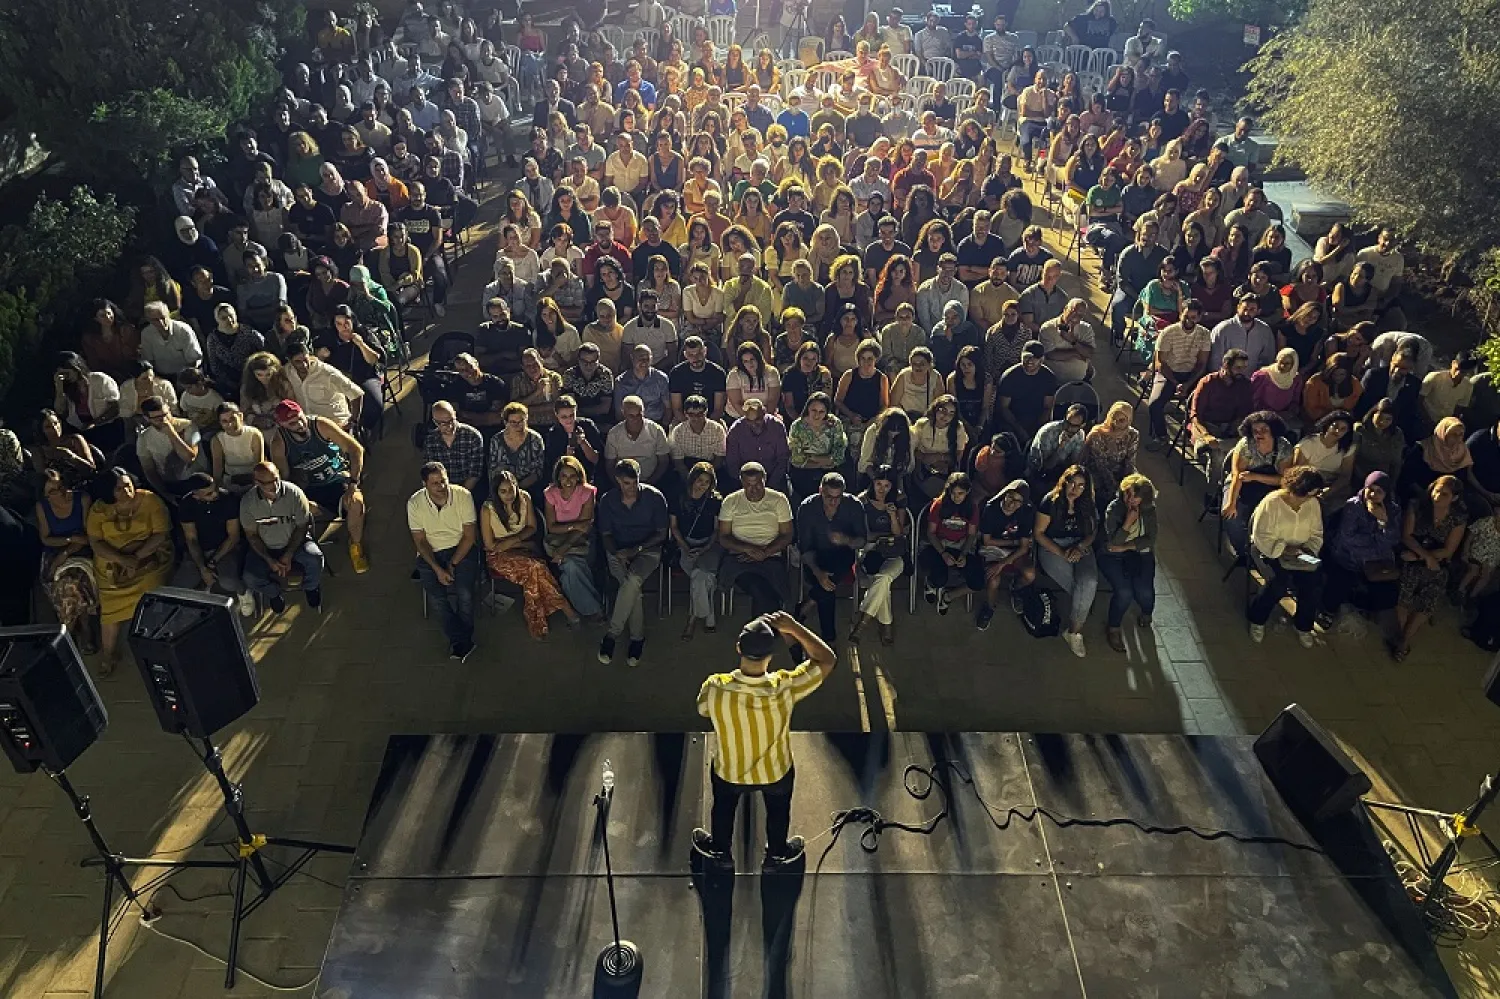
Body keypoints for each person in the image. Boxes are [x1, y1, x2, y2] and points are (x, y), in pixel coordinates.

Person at [693, 609, 837, 869]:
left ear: (739, 647)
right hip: (776, 773)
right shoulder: (786, 686)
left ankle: (721, 852)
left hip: (729, 772)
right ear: (771, 655)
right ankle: (777, 854)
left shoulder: (715, 687)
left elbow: (702, 710)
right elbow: (827, 659)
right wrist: (794, 628)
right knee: (778, 811)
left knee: (723, 809)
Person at [84, 468, 173, 673]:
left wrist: (136, 558)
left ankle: (154, 648)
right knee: (110, 610)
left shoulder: (150, 501)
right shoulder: (99, 509)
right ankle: (108, 654)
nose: (126, 491)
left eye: (128, 485)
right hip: (112, 561)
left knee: (151, 597)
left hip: (149, 556)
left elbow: (160, 534)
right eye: (119, 488)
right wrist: (121, 559)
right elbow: (96, 542)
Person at [268, 399, 369, 573]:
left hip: (336, 479)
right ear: (282, 425)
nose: (300, 424)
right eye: (292, 423)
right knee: (303, 510)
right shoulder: (279, 443)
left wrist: (353, 482)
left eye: (300, 418)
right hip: (308, 488)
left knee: (356, 503)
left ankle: (355, 544)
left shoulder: (320, 425)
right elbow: (284, 479)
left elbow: (356, 449)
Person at [480, 468, 580, 640]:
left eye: (511, 489)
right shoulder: (488, 509)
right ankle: (566, 609)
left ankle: (537, 623)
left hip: (524, 548)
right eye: (503, 491)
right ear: (496, 493)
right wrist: (517, 541)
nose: (509, 494)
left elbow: (532, 527)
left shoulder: (525, 498)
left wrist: (514, 541)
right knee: (536, 568)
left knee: (533, 573)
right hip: (499, 556)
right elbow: (490, 545)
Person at [596, 458, 669, 667]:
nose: (624, 487)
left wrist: (636, 550)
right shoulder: (608, 500)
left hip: (647, 551)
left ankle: (612, 634)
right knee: (633, 588)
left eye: (628, 483)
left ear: (638, 479)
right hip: (618, 551)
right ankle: (637, 638)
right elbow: (606, 534)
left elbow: (661, 534)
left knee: (633, 579)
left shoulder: (655, 498)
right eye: (620, 482)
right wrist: (618, 553)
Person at [1247, 465, 1326, 646]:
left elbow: (1317, 533)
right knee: (1277, 583)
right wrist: (1283, 548)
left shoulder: (1313, 504)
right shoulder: (1271, 503)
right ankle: (1257, 619)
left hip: (1301, 552)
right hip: (1269, 551)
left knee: (1314, 582)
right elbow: (1262, 536)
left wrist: (1308, 550)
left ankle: (1303, 626)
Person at [1393, 475, 1466, 661]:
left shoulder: (1458, 517)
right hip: (1413, 553)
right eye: (1437, 491)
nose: (1438, 496)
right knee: (1404, 592)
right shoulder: (1416, 506)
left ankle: (1405, 638)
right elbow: (1407, 536)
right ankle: (1402, 636)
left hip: (1437, 559)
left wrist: (1426, 558)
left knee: (1430, 596)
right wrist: (1422, 556)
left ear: (1454, 498)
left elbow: (1448, 550)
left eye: (1445, 494)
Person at [1319, 471, 1403, 630]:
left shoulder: (1393, 510)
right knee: (1342, 580)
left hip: (1376, 560)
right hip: (1347, 556)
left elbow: (1393, 540)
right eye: (1370, 488)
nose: (1373, 494)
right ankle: (1327, 610)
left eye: (1379, 491)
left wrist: (1383, 522)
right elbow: (1349, 538)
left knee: (1387, 590)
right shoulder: (1354, 506)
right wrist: (1377, 540)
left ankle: (1364, 606)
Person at [1033, 464, 1099, 657]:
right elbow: (1039, 534)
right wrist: (1062, 553)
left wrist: (1079, 548)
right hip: (1053, 545)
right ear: (1065, 482)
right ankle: (1082, 613)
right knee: (1081, 588)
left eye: (1081, 485)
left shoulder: (1088, 504)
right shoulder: (1050, 502)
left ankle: (1073, 631)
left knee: (1089, 581)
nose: (1075, 489)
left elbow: (1093, 532)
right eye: (1072, 483)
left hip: (1080, 545)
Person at [793, 472, 865, 644]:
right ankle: (828, 638)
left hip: (843, 554)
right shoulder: (807, 508)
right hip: (815, 555)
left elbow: (862, 540)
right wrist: (818, 573)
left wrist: (846, 539)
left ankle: (809, 607)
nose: (833, 502)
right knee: (826, 584)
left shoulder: (853, 505)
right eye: (828, 497)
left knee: (829, 580)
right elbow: (805, 548)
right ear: (820, 491)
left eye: (837, 497)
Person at [718, 461, 796, 615]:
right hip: (740, 557)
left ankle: (761, 629)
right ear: (742, 483)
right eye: (748, 485)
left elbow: (787, 534)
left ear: (765, 480)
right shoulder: (731, 501)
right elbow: (723, 537)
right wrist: (749, 549)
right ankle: (767, 629)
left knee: (769, 588)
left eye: (758, 485)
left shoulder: (779, 499)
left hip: (771, 556)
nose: (753, 490)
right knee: (758, 587)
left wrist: (765, 552)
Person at [36, 469, 99, 650]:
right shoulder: (43, 507)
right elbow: (46, 538)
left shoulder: (82, 500)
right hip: (55, 552)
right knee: (68, 586)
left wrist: (67, 553)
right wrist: (67, 543)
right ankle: (84, 626)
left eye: (60, 486)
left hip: (81, 552)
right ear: (45, 495)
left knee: (72, 583)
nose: (60, 492)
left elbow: (87, 537)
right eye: (52, 491)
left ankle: (67, 632)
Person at [1097, 473, 1157, 652]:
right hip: (1111, 555)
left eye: (1134, 496)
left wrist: (1127, 547)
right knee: (1124, 592)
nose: (1129, 499)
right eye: (1126, 494)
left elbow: (1150, 539)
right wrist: (1127, 523)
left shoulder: (1149, 511)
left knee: (1145, 592)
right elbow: (1113, 542)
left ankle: (1146, 613)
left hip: (1139, 554)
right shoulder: (1114, 509)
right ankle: (1114, 627)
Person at [848, 466, 908, 645]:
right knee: (883, 581)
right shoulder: (862, 501)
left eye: (887, 485)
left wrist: (892, 517)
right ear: (872, 484)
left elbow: (898, 535)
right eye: (878, 484)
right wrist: (880, 537)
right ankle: (886, 625)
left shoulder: (898, 500)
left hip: (893, 553)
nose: (882, 489)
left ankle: (863, 622)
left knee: (882, 578)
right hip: (869, 552)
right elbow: (863, 535)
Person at [1189, 348, 1255, 488]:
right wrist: (1206, 435)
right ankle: (1212, 493)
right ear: (1226, 364)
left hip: (1230, 429)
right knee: (1218, 457)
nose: (1241, 371)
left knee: (1248, 447)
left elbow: (1246, 414)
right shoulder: (1208, 382)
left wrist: (1238, 425)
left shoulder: (1245, 385)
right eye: (1238, 368)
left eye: (1244, 368)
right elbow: (1195, 415)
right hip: (1207, 426)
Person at [673, 462, 725, 640]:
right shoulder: (679, 498)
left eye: (706, 482)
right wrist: (686, 548)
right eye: (699, 480)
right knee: (703, 577)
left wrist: (704, 549)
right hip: (685, 544)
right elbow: (674, 528)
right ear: (692, 479)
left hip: (709, 546)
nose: (702, 485)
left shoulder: (715, 501)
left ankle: (692, 618)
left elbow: (717, 530)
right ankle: (708, 615)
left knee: (698, 574)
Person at [994, 341, 1059, 441]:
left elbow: (1047, 407)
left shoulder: (1049, 377)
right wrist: (1020, 430)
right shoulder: (1009, 376)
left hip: (1036, 422)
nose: (1030, 361)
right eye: (1027, 357)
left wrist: (1037, 430)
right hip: (1012, 422)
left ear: (1042, 360)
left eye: (1035, 358)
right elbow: (1003, 408)